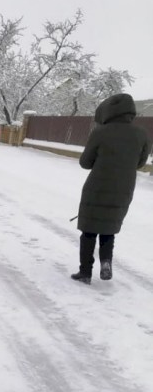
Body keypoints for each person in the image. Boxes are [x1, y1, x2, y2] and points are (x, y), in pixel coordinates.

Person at [71, 93, 151, 284]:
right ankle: (106, 263)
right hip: (124, 189)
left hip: (97, 187)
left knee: (89, 231)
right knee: (108, 230)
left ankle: (85, 272)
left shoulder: (100, 132)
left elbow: (85, 162)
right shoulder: (142, 135)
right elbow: (140, 163)